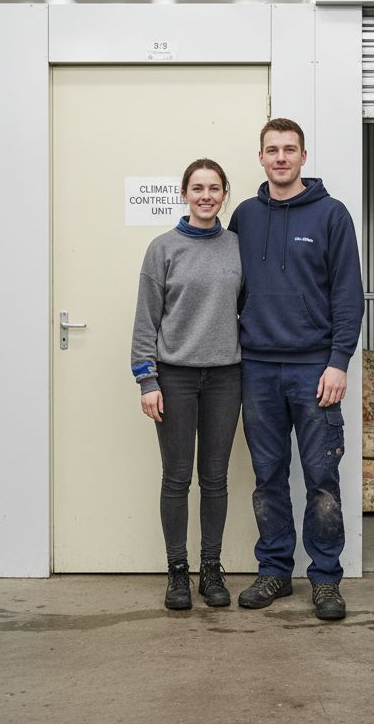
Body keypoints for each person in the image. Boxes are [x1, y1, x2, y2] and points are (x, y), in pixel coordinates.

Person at [227, 118, 364, 621]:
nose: (280, 158)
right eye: (271, 150)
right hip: (257, 368)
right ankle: (275, 572)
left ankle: (326, 580)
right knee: (267, 477)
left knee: (322, 477)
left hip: (314, 371)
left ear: (303, 156)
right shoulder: (243, 216)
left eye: (289, 150)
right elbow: (231, 291)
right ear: (260, 158)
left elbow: (349, 296)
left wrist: (338, 362)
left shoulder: (331, 215)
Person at [130, 158, 243, 611]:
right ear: (184, 194)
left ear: (224, 194)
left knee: (215, 479)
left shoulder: (237, 246)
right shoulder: (162, 248)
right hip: (174, 378)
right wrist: (146, 379)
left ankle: (210, 570)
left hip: (226, 378)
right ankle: (177, 571)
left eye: (214, 188)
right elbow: (145, 320)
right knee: (177, 478)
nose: (206, 196)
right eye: (197, 188)